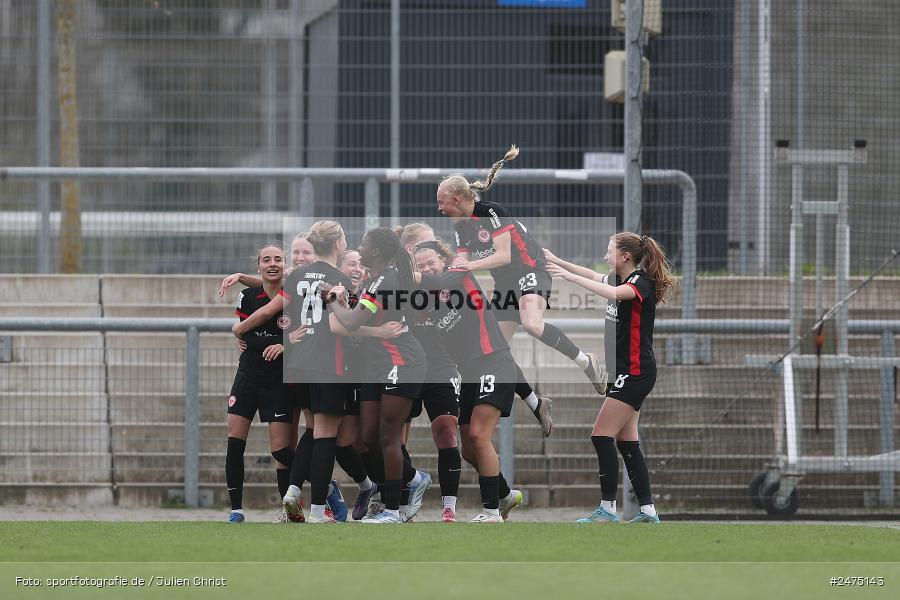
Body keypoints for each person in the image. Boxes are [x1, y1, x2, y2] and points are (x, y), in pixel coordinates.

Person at [436, 146, 606, 410]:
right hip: (506, 286)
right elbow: (461, 265)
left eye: (441, 202)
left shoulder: (492, 212)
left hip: (531, 271)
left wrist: (467, 265)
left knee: (532, 325)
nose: (439, 208)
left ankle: (586, 361)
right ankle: (537, 403)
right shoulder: (461, 227)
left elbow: (502, 256)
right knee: (495, 350)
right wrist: (436, 283)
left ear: (456, 199)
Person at [545, 232, 676, 524]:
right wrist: (556, 261)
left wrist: (570, 278)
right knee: (627, 442)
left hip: (636, 372)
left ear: (625, 256)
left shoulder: (639, 282)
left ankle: (607, 509)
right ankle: (648, 511)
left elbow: (615, 295)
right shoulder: (621, 279)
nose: (605, 257)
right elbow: (592, 274)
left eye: (609, 252)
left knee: (601, 435)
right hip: (628, 372)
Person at [233, 222, 354, 524]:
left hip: (298, 365)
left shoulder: (298, 276)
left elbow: (266, 311)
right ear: (339, 244)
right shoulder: (340, 279)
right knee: (324, 435)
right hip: (328, 363)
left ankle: (292, 491)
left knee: (311, 432)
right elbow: (346, 324)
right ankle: (316, 512)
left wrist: (239, 328)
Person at [397, 222, 554, 438]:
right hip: (422, 359)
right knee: (398, 431)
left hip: (458, 357)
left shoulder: (452, 267)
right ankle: (536, 402)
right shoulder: (407, 278)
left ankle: (535, 402)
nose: (435, 244)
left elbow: (439, 281)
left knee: (468, 433)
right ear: (410, 249)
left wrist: (411, 278)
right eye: (428, 241)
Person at [412, 239, 529, 523]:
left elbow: (434, 281)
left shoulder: (459, 274)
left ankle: (491, 512)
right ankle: (504, 494)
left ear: (444, 259)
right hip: (470, 374)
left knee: (478, 435)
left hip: (493, 360)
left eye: (431, 262)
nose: (428, 268)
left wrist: (402, 273)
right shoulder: (427, 302)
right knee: (468, 448)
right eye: (421, 265)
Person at [328, 228, 429, 524]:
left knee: (388, 436)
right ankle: (414, 478)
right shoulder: (377, 279)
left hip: (401, 361)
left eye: (364, 244)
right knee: (367, 438)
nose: (359, 248)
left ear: (375, 251)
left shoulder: (387, 280)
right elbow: (359, 318)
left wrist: (333, 300)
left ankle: (393, 511)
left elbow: (349, 322)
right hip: (377, 364)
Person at [223, 244, 295, 523]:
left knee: (280, 450)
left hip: (278, 380)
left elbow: (301, 333)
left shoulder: (295, 296)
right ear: (259, 266)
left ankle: (292, 505)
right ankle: (236, 509)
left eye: (278, 259)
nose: (272, 263)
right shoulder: (247, 296)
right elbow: (246, 339)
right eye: (267, 260)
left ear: (286, 265)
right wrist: (265, 340)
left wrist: (282, 344)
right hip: (248, 376)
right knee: (234, 442)